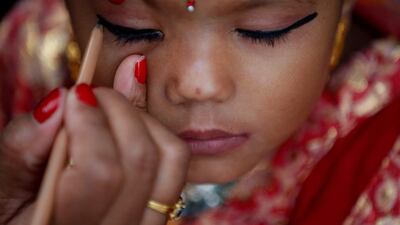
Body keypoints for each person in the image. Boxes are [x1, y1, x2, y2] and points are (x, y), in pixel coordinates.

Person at [0, 0, 399, 224]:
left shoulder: (386, 157)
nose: (196, 85)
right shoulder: (29, 54)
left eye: (265, 29)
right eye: (130, 28)